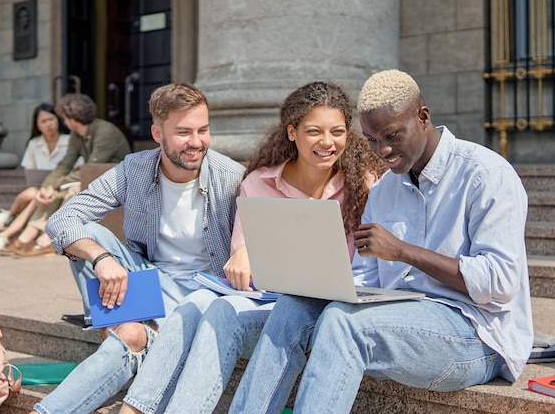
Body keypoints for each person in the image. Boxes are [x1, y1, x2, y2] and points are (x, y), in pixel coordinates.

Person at [228, 69, 533, 414]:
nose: (383, 150)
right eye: (372, 140)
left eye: (392, 135)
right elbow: (367, 280)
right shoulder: (386, 189)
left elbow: (500, 283)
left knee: (345, 324)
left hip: (476, 335)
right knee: (294, 307)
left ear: (423, 117)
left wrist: (404, 252)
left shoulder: (486, 175)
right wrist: (318, 282)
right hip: (400, 316)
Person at [115, 82, 387, 414]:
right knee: (213, 308)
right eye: (314, 131)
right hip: (272, 306)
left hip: (337, 313)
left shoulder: (367, 186)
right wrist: (243, 255)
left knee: (212, 306)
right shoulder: (258, 184)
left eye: (338, 132)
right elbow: (244, 273)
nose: (327, 142)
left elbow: (373, 271)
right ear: (292, 132)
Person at [29, 83, 246, 414]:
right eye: (183, 132)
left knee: (131, 337)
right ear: (157, 133)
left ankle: (124, 334)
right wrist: (100, 258)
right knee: (87, 235)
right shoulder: (135, 168)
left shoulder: (230, 177)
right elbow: (62, 220)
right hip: (148, 280)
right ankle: (118, 323)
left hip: (206, 293)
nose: (196, 142)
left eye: (203, 130)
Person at [4, 93, 132, 257]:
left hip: (113, 182)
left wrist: (57, 184)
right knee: (53, 194)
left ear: (72, 119)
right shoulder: (76, 135)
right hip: (92, 178)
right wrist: (47, 187)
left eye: (64, 118)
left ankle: (48, 240)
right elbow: (65, 164)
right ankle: (26, 237)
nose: (64, 122)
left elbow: (92, 168)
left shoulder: (105, 132)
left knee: (71, 192)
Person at [0, 103, 74, 253]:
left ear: (58, 120)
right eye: (43, 121)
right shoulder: (34, 144)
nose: (49, 124)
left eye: (51, 119)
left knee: (36, 197)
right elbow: (29, 170)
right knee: (32, 193)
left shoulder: (70, 141)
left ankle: (7, 235)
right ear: (37, 125)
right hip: (40, 187)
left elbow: (75, 169)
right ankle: (10, 216)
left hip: (62, 187)